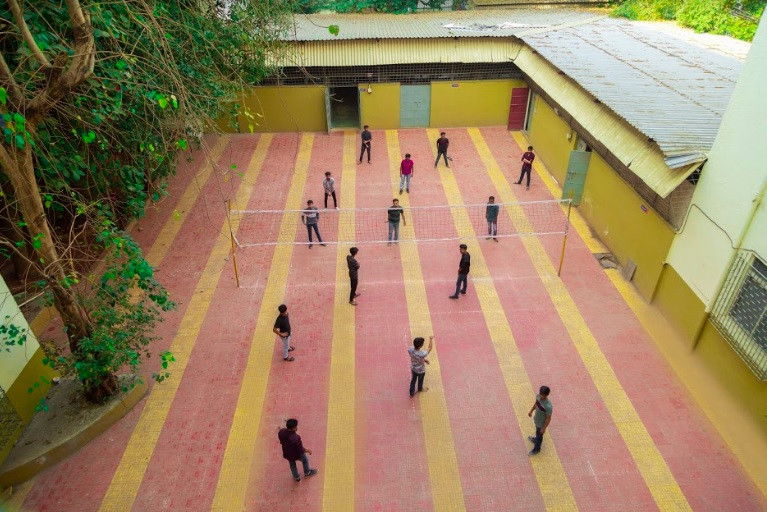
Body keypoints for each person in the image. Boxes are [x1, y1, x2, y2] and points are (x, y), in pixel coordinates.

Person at [527, 385, 553, 455]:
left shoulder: (548, 406)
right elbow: (536, 404)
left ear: (547, 395)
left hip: (541, 424)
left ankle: (537, 449)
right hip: (537, 420)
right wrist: (531, 411)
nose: (541, 396)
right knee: (537, 432)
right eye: (540, 394)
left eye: (543, 395)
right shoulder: (538, 396)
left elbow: (548, 418)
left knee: (539, 436)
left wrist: (544, 428)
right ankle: (536, 439)